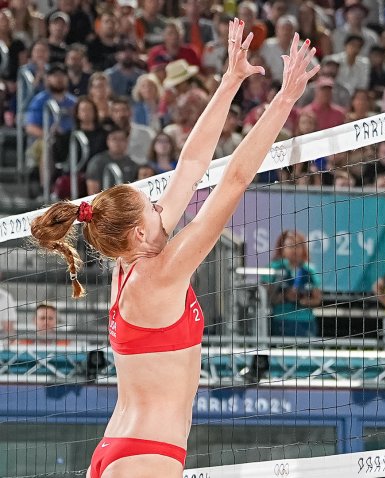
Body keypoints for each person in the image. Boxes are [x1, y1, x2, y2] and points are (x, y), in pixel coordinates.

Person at [29, 20, 317, 478]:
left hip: (121, 449)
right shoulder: (160, 274)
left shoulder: (130, 264)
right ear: (139, 234)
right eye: (152, 207)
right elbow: (234, 182)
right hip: (147, 454)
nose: (162, 207)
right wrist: (285, 99)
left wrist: (231, 80)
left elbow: (191, 165)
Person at [263, 230, 322, 337]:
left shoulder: (309, 269)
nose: (295, 250)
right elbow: (266, 298)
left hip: (306, 322)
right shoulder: (273, 268)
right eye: (290, 246)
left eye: (298, 245)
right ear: (282, 248)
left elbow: (317, 299)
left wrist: (302, 300)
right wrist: (285, 296)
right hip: (281, 321)